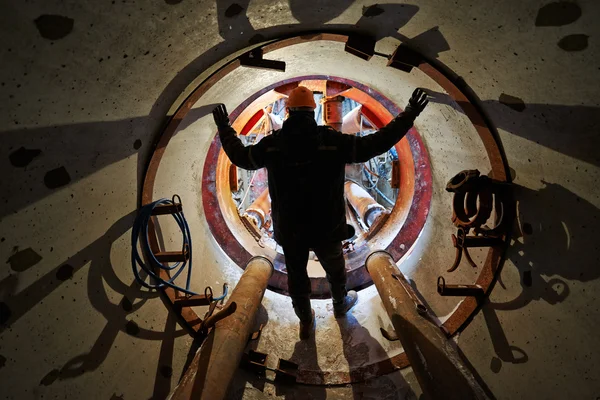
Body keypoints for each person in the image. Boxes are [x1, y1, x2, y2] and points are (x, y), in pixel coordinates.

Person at [213, 86, 428, 339]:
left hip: (290, 230)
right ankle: (340, 305)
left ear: (289, 111)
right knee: (336, 271)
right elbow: (377, 143)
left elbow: (240, 156)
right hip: (327, 228)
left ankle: (305, 320)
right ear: (313, 111)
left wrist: (224, 126)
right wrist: (410, 113)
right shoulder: (332, 141)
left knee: (297, 276)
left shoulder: (273, 144)